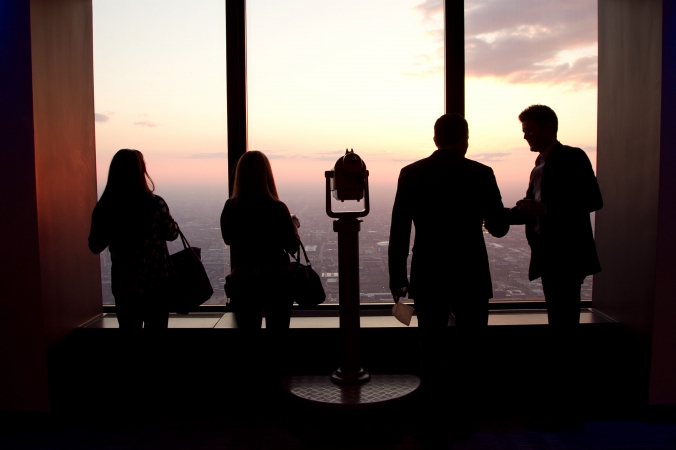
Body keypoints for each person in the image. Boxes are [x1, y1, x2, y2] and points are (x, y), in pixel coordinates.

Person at [388, 113, 509, 439]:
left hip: (429, 271)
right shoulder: (481, 173)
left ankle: (432, 418)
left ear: (435, 138)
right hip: (469, 270)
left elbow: (399, 229)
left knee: (431, 349)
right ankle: (466, 419)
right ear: (464, 139)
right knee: (470, 349)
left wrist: (397, 277)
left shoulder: (411, 174)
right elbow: (499, 226)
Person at [507, 104, 602, 426]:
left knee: (564, 331)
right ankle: (565, 405)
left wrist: (544, 208)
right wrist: (501, 216)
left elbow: (593, 200)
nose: (526, 137)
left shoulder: (570, 157)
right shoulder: (540, 164)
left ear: (549, 127)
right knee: (561, 329)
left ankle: (567, 407)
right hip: (553, 257)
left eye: (530, 130)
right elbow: (530, 209)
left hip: (565, 256)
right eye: (524, 132)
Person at [88, 149, 179, 329]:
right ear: (141, 171)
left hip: (125, 285)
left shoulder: (106, 208)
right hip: (156, 283)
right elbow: (172, 234)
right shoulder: (155, 204)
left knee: (130, 340)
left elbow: (95, 245)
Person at [220, 151, 299, 330]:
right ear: (266, 175)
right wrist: (293, 226)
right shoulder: (277, 208)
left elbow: (228, 238)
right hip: (277, 282)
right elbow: (292, 246)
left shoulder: (232, 206)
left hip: (244, 281)